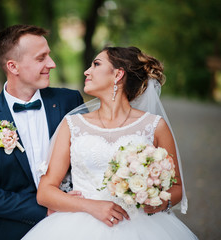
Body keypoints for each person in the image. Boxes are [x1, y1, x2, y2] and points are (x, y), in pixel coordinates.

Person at [22, 46, 198, 239]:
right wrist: (90, 206)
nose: (86, 71)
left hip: (141, 225)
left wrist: (155, 201)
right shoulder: (72, 125)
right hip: (78, 226)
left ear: (118, 74)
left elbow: (176, 188)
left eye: (96, 64)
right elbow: (45, 192)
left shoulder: (155, 126)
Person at [0, 24, 84, 240]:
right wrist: (44, 209)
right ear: (13, 66)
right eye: (41, 58)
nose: (52, 64)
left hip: (74, 225)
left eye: (50, 55)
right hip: (13, 232)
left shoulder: (69, 102)